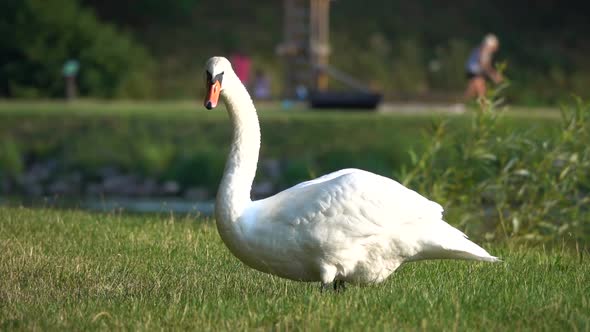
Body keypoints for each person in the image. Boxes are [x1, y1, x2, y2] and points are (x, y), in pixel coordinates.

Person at [464, 34, 503, 100]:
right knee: (481, 89)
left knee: (472, 90)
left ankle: (463, 105)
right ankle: (484, 107)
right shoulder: (486, 50)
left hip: (471, 70)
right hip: (475, 71)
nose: (497, 47)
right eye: (496, 45)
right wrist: (494, 75)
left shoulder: (482, 49)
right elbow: (484, 65)